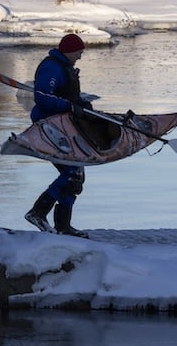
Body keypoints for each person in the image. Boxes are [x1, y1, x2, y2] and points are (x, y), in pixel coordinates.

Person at [24, 33, 112, 237]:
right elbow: (43, 97)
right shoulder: (51, 68)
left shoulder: (65, 67)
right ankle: (37, 212)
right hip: (49, 126)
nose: (80, 56)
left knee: (76, 176)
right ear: (70, 50)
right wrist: (70, 106)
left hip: (65, 125)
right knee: (72, 173)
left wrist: (80, 103)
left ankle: (63, 227)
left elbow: (67, 95)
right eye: (79, 52)